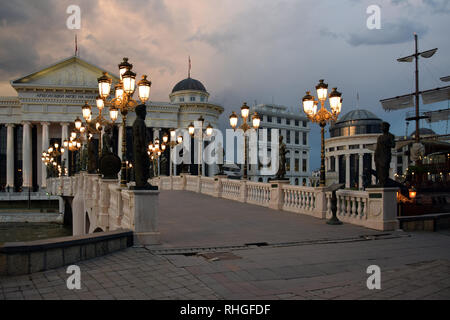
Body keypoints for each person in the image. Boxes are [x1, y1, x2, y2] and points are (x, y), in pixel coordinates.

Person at [374, 122, 395, 187]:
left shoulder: (390, 136)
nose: (382, 128)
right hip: (379, 155)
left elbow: (393, 145)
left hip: (386, 155)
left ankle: (384, 182)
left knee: (384, 169)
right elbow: (377, 147)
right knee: (379, 169)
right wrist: (375, 156)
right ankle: (380, 182)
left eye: (383, 126)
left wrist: (386, 144)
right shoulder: (380, 137)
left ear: (387, 127)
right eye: (381, 127)